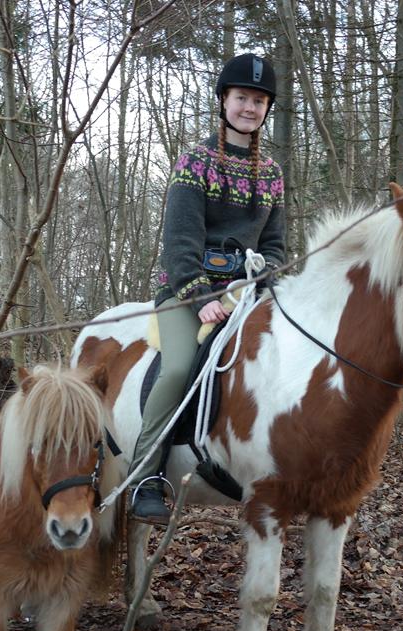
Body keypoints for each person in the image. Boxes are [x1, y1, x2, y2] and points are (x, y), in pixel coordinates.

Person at [128, 53, 287, 519]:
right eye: (242, 98)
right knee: (177, 369)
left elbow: (276, 245)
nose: (249, 108)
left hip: (248, 294)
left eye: (259, 101)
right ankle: (145, 478)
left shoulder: (272, 174)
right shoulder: (195, 162)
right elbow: (179, 242)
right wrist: (201, 297)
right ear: (224, 101)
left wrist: (261, 274)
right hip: (186, 293)